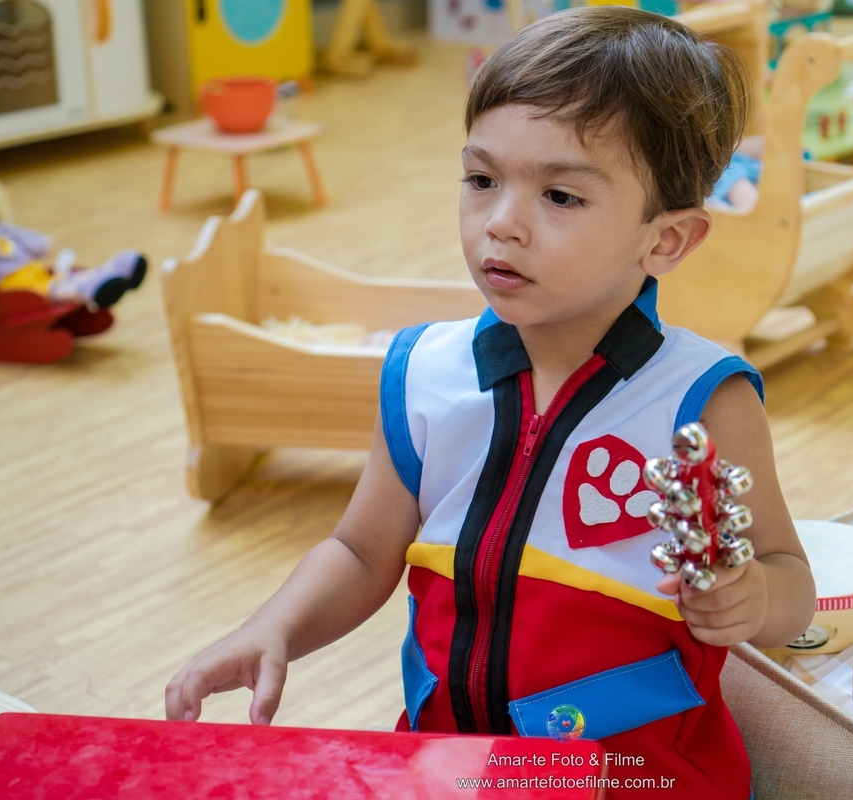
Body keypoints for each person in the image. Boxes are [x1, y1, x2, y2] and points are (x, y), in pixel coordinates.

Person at [165, 7, 816, 797]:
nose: (500, 224)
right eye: (481, 180)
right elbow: (362, 553)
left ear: (666, 240)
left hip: (641, 779)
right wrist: (272, 627)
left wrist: (752, 597)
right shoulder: (423, 374)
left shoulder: (705, 402)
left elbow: (790, 580)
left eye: (561, 197)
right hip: (451, 767)